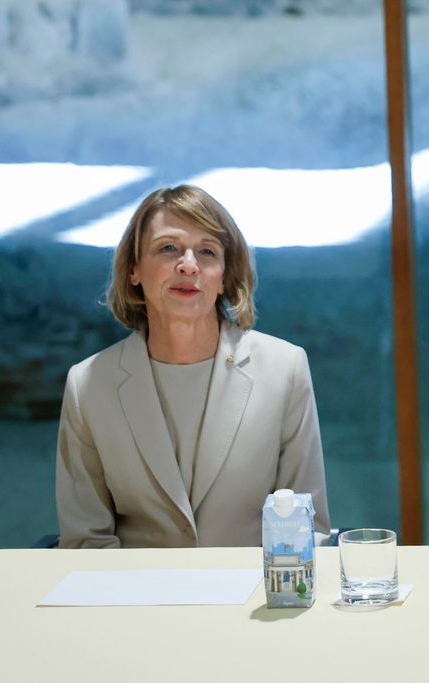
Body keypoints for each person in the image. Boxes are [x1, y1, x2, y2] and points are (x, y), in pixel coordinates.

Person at [56, 185, 331, 548]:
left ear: (224, 276)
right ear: (134, 269)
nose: (188, 264)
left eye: (207, 251)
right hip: (137, 586)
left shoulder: (286, 369)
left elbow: (305, 530)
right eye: (168, 248)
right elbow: (85, 542)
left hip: (253, 584)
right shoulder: (88, 384)